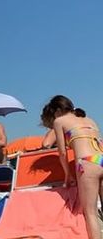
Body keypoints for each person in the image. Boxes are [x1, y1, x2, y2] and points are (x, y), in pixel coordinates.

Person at [41, 95, 103, 239]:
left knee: (90, 213)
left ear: (57, 111)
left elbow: (62, 153)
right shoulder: (89, 120)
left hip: (86, 162)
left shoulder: (60, 121)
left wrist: (67, 175)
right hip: (100, 159)